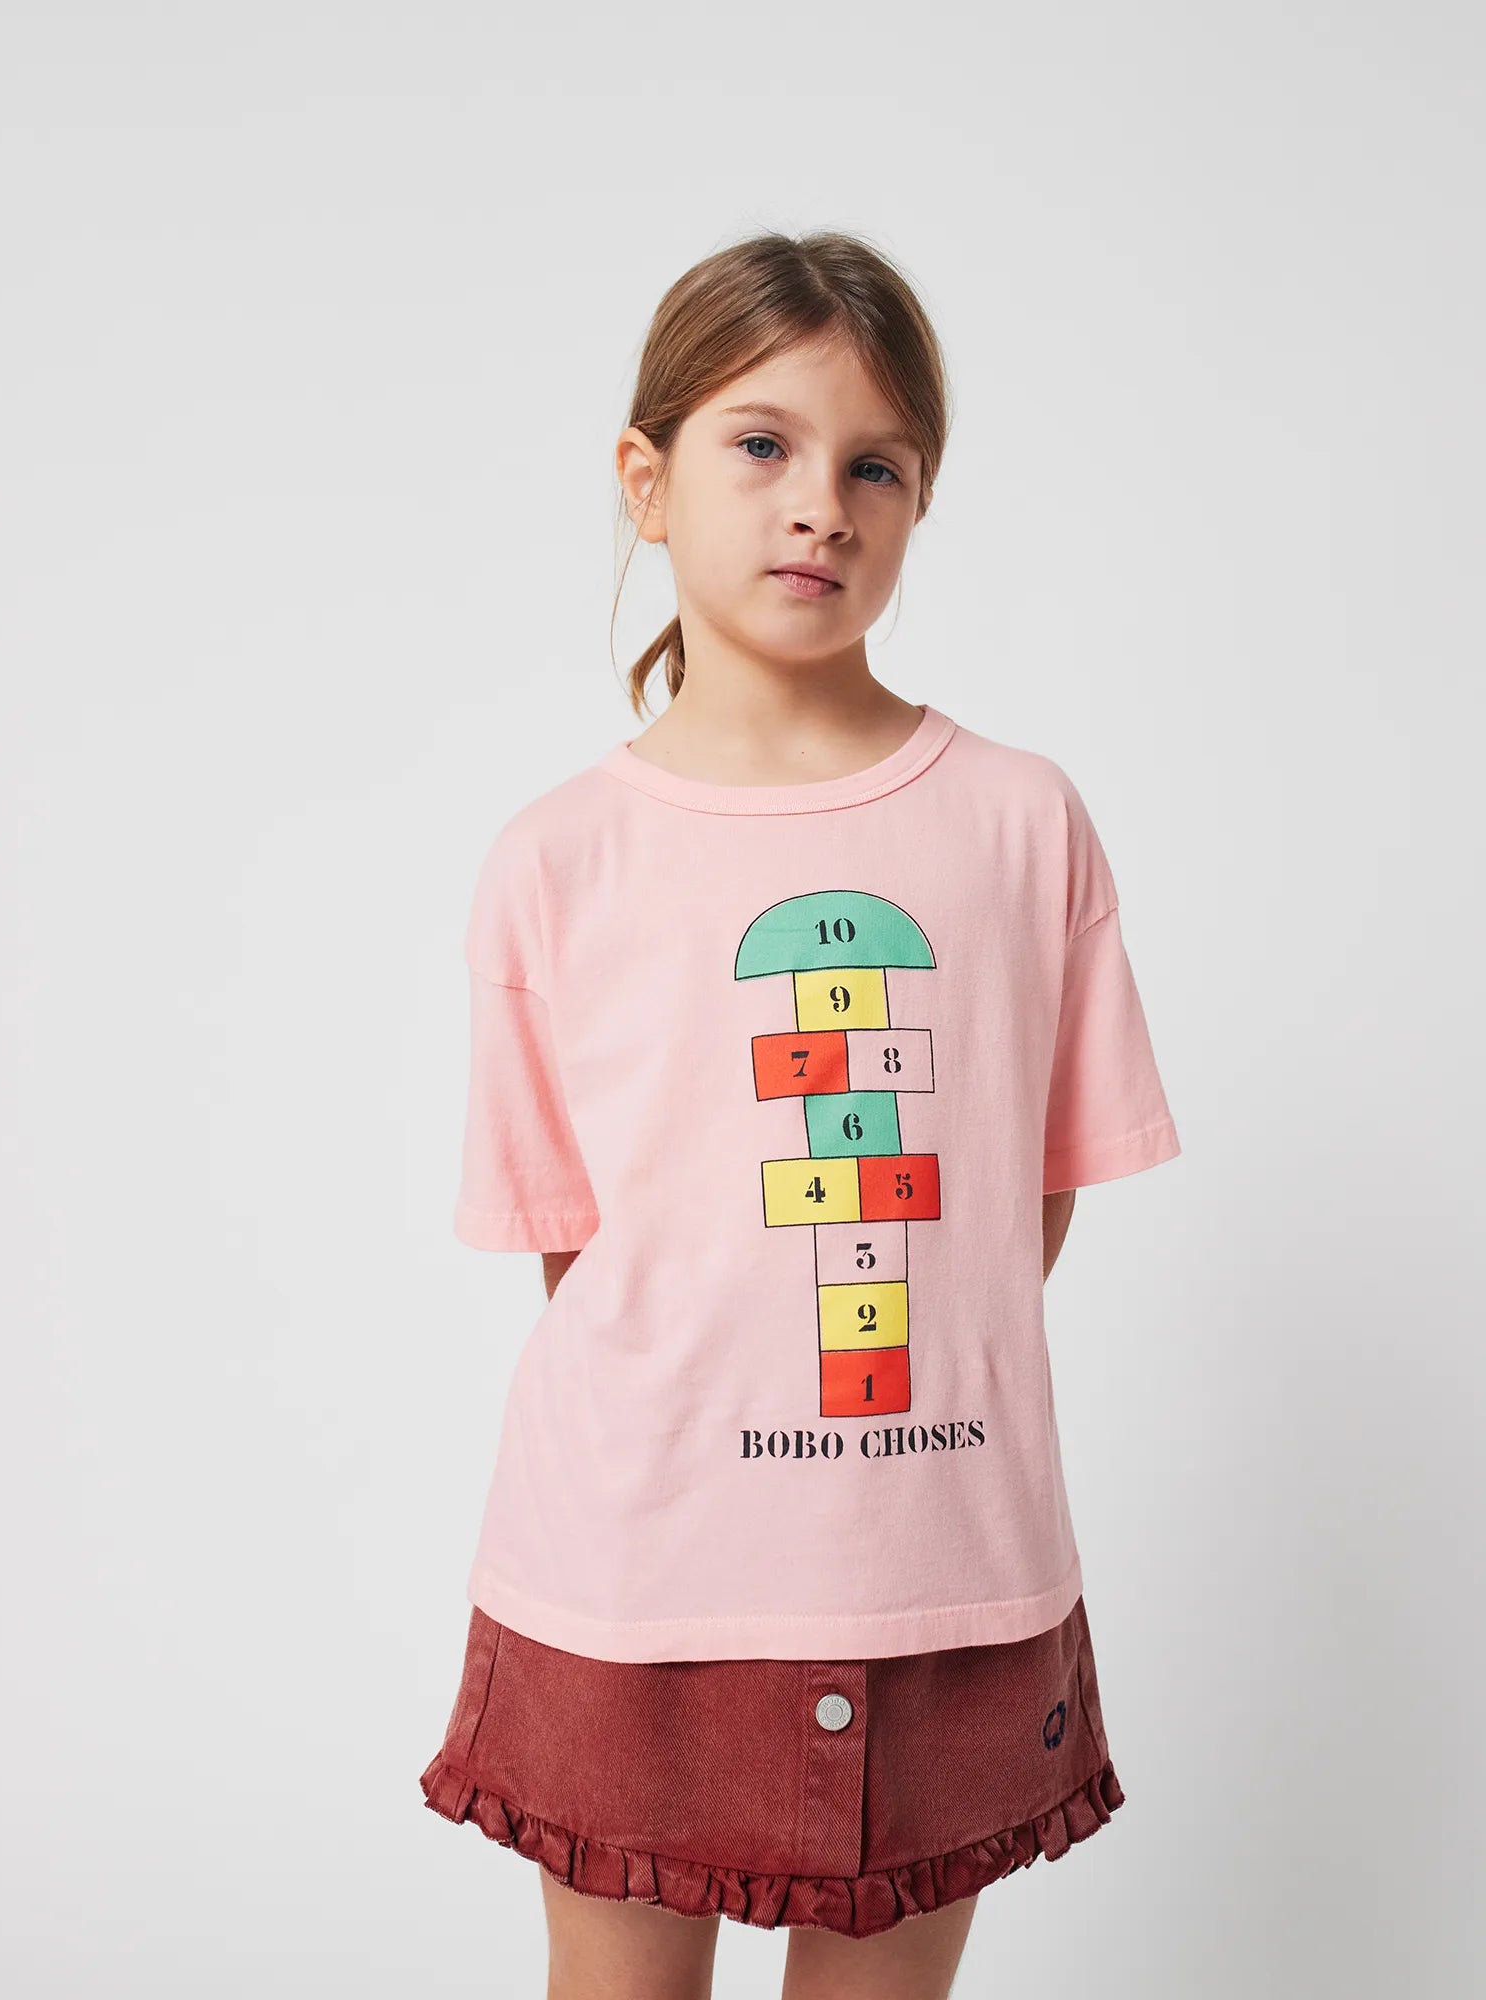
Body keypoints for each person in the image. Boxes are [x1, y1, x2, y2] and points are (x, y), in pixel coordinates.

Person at [419, 229, 1182, 2000]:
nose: (819, 506)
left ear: (919, 502)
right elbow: (581, 1257)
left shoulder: (1021, 821)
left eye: (875, 466)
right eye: (761, 444)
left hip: (946, 1573)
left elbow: (1022, 1203)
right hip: (632, 1587)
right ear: (646, 478)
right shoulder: (557, 860)